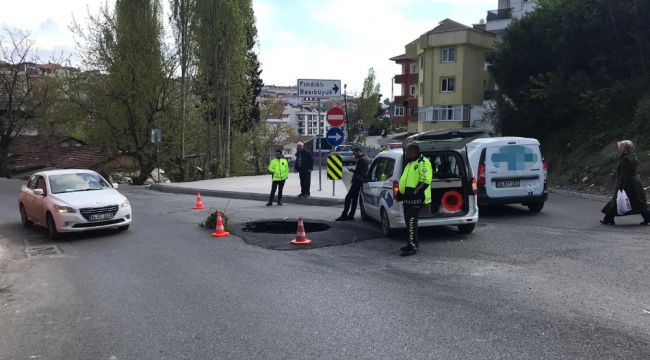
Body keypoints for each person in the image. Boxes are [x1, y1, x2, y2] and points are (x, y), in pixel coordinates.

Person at [601, 140, 650, 225]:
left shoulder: (626, 159)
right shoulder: (633, 156)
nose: (619, 149)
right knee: (639, 202)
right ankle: (647, 218)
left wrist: (620, 187)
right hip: (635, 183)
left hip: (628, 184)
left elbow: (624, 175)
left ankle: (608, 219)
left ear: (625, 149)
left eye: (620, 147)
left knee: (616, 200)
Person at [396, 143, 432, 256]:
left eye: (407, 152)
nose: (406, 154)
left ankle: (413, 247)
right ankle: (410, 243)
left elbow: (425, 180)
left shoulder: (423, 162)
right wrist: (401, 193)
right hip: (408, 198)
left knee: (411, 222)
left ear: (415, 152)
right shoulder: (410, 163)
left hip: (416, 198)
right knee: (409, 222)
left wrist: (414, 193)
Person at [336, 148, 370, 221]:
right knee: (354, 199)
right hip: (360, 181)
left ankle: (344, 215)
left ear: (358, 151)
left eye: (354, 153)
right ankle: (351, 215)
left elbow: (358, 172)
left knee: (348, 198)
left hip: (357, 181)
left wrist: (352, 170)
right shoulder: (366, 158)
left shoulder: (362, 160)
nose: (353, 155)